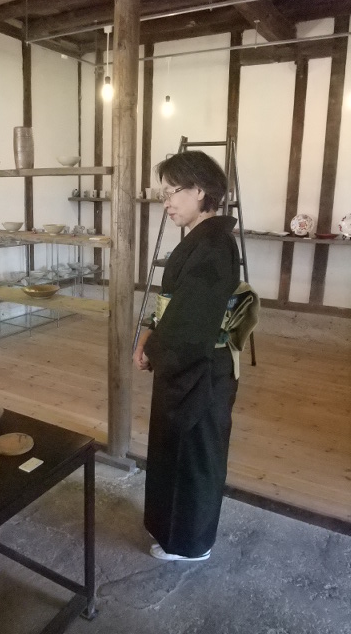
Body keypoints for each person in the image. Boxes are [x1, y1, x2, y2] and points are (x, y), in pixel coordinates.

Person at [133, 150, 242, 562]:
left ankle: (191, 543)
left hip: (200, 368)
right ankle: (175, 534)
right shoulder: (202, 239)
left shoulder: (213, 244)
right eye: (163, 194)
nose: (166, 203)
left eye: (171, 192)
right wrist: (149, 339)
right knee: (178, 451)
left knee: (194, 457)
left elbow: (191, 320)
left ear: (199, 190)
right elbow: (172, 305)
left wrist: (152, 350)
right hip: (186, 362)